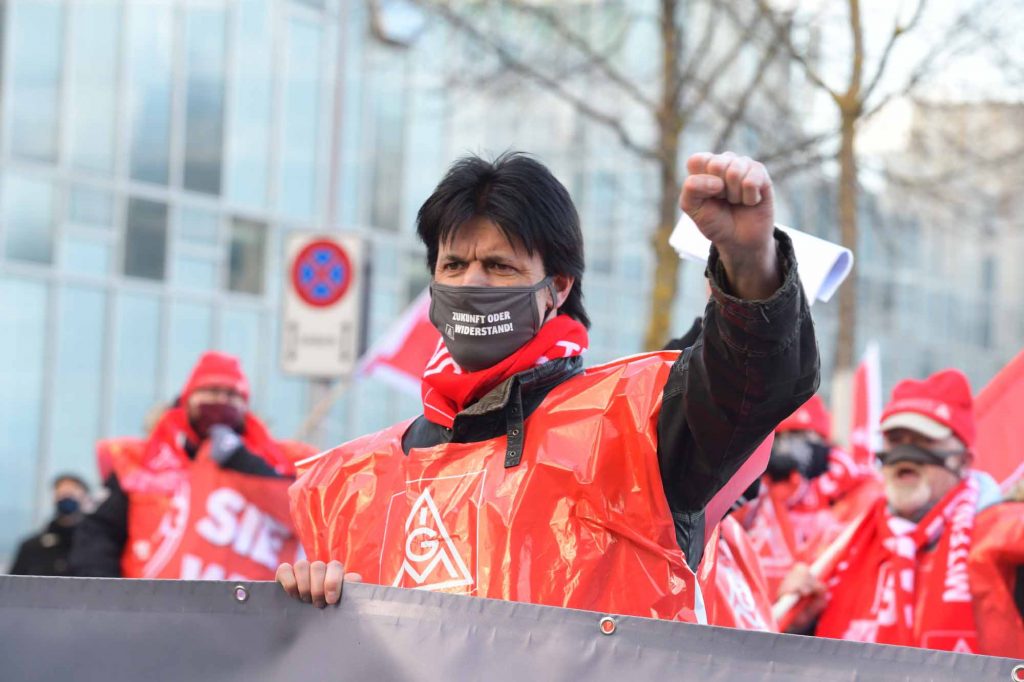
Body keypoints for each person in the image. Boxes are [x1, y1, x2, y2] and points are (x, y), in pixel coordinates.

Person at [278, 151, 819, 618]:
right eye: (454, 264)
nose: (472, 283)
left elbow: (750, 384)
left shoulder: (635, 424)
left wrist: (749, 264)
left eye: (499, 265)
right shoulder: (350, 486)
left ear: (557, 287)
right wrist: (314, 614)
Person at [778, 369, 1024, 655]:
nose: (906, 454)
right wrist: (799, 626)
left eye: (923, 440)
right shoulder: (838, 546)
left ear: (964, 460)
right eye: (896, 439)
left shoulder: (1003, 538)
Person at [70, 352, 308, 579]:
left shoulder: (274, 462)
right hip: (152, 610)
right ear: (187, 399)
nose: (221, 401)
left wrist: (242, 461)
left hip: (247, 613)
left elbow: (307, 515)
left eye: (232, 395)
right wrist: (109, 597)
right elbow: (98, 534)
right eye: (212, 392)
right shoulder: (143, 462)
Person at [737, 395, 879, 597]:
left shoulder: (850, 490)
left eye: (807, 436)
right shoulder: (753, 492)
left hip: (830, 604)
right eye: (788, 436)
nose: (796, 448)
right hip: (766, 611)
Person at [9, 474, 90, 576]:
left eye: (71, 495)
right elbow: (13, 586)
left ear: (85, 498)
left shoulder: (99, 547)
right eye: (62, 495)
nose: (67, 500)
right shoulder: (32, 547)